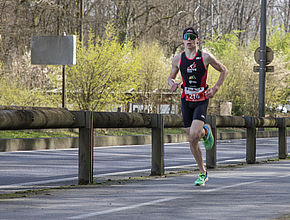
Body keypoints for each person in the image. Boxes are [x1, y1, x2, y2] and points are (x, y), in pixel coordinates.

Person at [168, 27, 228, 186]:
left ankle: (204, 130)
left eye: (192, 37)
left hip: (201, 99)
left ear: (197, 40)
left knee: (194, 135)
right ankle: (203, 172)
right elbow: (171, 78)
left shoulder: (205, 57)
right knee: (192, 139)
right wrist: (172, 84)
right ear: (182, 40)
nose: (189, 40)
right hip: (186, 100)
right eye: (186, 37)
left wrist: (215, 88)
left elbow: (224, 70)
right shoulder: (178, 59)